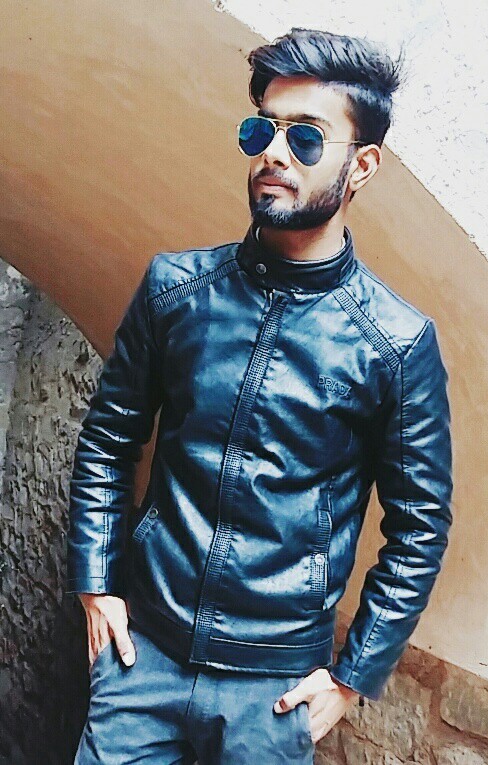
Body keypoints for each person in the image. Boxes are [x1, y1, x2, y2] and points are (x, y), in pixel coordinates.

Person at [66, 27, 453, 764]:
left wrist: (352, 676)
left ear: (362, 164)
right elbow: (108, 440)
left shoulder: (395, 344)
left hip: (272, 695)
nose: (274, 152)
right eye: (262, 130)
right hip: (141, 659)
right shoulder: (177, 290)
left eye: (306, 137)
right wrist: (95, 582)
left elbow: (419, 528)